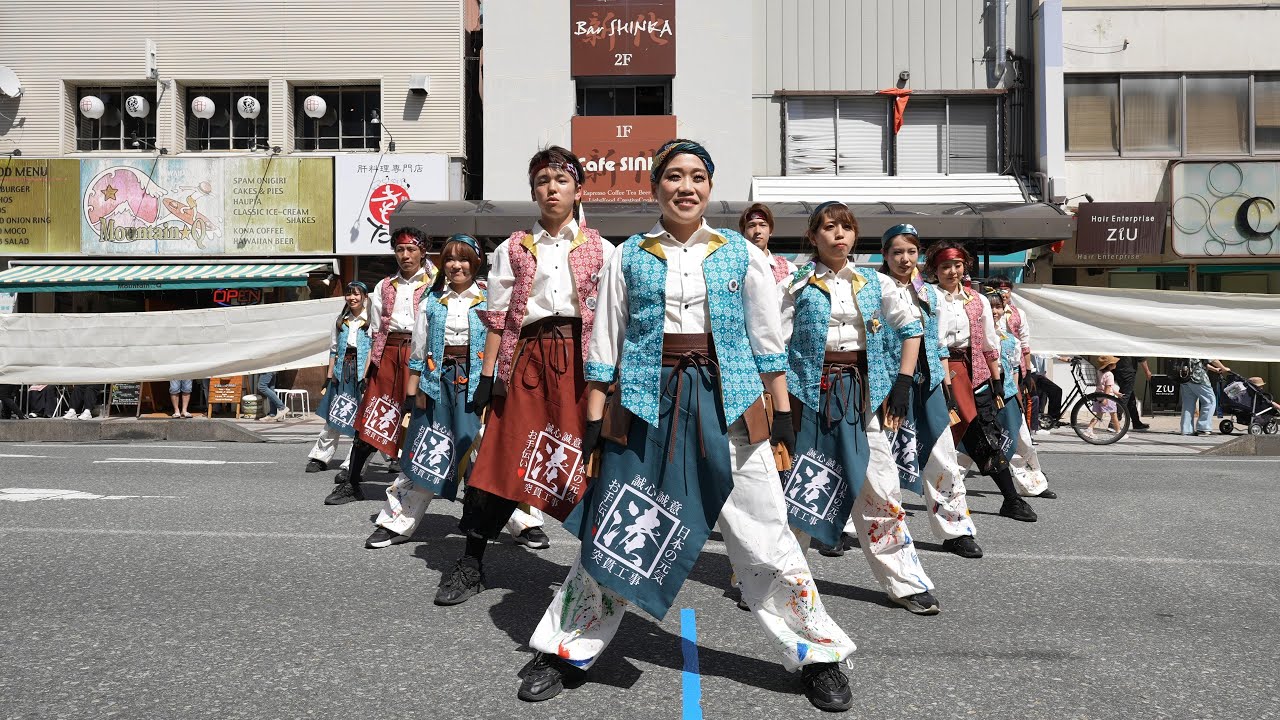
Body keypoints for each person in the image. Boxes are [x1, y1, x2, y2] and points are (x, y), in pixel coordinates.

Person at [518, 140, 855, 712]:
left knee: (765, 534)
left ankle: (817, 654)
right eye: (673, 176)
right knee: (618, 527)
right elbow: (605, 346)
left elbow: (767, 345)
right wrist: (595, 423)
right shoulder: (627, 256)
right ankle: (566, 647)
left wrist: (784, 420)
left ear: (710, 187)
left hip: (732, 404)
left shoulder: (741, 255)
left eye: (697, 176)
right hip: (649, 404)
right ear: (655, 188)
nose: (686, 187)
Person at [431, 146, 609, 605]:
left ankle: (595, 573)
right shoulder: (512, 248)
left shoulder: (603, 249)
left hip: (580, 366)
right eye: (543, 182)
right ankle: (470, 562)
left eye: (561, 180)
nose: (552, 189)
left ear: (578, 189)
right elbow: (499, 318)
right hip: (525, 360)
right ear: (533, 191)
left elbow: (611, 322)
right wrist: (488, 378)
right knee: (498, 458)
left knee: (587, 459)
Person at [775, 207, 941, 619]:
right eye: (829, 228)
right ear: (813, 236)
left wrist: (903, 383)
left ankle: (904, 582)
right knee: (802, 491)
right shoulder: (794, 283)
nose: (839, 235)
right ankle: (771, 582)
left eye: (846, 227)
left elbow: (911, 328)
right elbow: (772, 344)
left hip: (861, 396)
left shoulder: (876, 282)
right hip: (809, 397)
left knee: (881, 489)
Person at [365, 234, 538, 549]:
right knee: (425, 451)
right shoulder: (430, 300)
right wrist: (412, 394)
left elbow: (506, 342)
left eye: (464, 259)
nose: (456, 265)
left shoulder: (492, 297)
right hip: (438, 381)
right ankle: (395, 522)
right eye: (450, 259)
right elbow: (418, 351)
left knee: (493, 453)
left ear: (476, 263)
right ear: (442, 264)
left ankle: (524, 523)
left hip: (480, 383)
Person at [879, 224, 982, 559]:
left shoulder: (929, 292)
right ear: (885, 255)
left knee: (943, 457)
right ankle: (855, 528)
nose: (904, 259)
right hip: (888, 383)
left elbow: (937, 342)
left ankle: (956, 529)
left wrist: (948, 389)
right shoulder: (873, 288)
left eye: (911, 252)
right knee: (881, 459)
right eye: (897, 252)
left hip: (930, 382)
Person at [926, 241, 1037, 523]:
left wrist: (997, 380)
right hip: (935, 371)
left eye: (957, 265)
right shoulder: (928, 296)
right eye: (945, 266)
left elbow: (989, 344)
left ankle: (1010, 499)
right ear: (934, 270)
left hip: (971, 372)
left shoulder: (978, 301)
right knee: (947, 439)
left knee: (984, 434)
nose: (952, 271)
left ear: (966, 267)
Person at [325, 227, 437, 506]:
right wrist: (370, 368)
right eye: (400, 249)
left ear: (423, 251)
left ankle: (470, 491)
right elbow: (376, 330)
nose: (405, 255)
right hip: (388, 355)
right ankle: (352, 483)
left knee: (439, 420)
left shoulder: (437, 282)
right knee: (371, 419)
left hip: (426, 356)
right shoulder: (383, 286)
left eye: (411, 249)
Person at [988, 289, 1055, 499]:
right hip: (980, 397)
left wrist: (1016, 395)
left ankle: (1034, 485)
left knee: (1020, 440)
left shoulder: (1010, 339)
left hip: (1007, 396)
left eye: (998, 306)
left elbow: (1014, 369)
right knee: (964, 450)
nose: (995, 311)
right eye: (990, 307)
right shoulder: (974, 338)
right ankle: (947, 495)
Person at [306, 281, 373, 473]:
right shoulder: (340, 321)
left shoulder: (370, 322)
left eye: (357, 294)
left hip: (361, 374)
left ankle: (353, 463)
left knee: (362, 419)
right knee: (333, 414)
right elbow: (334, 351)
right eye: (349, 294)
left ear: (365, 297)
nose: (352, 298)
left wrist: (366, 376)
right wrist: (329, 377)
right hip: (342, 372)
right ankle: (320, 456)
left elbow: (372, 351)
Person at [739, 202, 795, 282]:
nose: (757, 231)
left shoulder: (789, 269)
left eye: (762, 225)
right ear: (743, 232)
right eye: (751, 225)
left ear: (770, 230)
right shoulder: (737, 268)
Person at [1180, 358, 1229, 436]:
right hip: (1198, 378)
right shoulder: (1201, 346)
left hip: (1185, 378)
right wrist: (1224, 368)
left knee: (1188, 405)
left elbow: (1198, 362)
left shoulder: (1187, 346)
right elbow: (1213, 359)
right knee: (1210, 401)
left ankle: (1187, 430)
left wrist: (1214, 369)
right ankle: (1203, 428)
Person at [1085, 355, 1123, 438]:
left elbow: (1106, 386)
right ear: (1109, 365)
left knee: (1098, 415)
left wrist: (1116, 393)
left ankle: (1089, 429)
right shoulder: (1109, 375)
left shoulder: (1099, 371)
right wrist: (1105, 398)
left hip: (1098, 395)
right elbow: (1107, 387)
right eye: (1113, 363)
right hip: (1107, 397)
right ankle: (1119, 432)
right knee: (1114, 415)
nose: (1115, 364)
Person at [1114, 356, 1153, 431]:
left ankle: (1136, 423)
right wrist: (1147, 371)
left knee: (1130, 397)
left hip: (1118, 370)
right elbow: (1141, 358)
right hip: (1128, 371)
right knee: (1125, 396)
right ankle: (1114, 422)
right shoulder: (1134, 344)